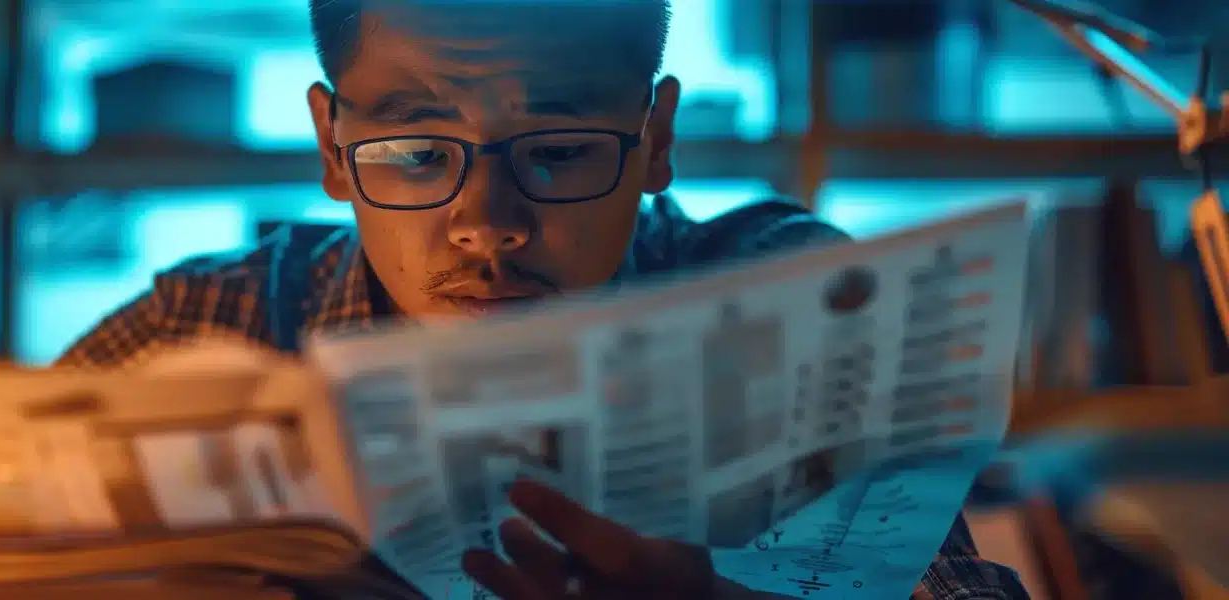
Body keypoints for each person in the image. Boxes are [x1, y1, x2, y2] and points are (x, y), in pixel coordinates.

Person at [58, 0, 1030, 598]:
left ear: (654, 139)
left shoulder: (796, 311)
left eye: (558, 151)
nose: (488, 224)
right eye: (415, 153)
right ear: (329, 148)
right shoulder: (210, 328)